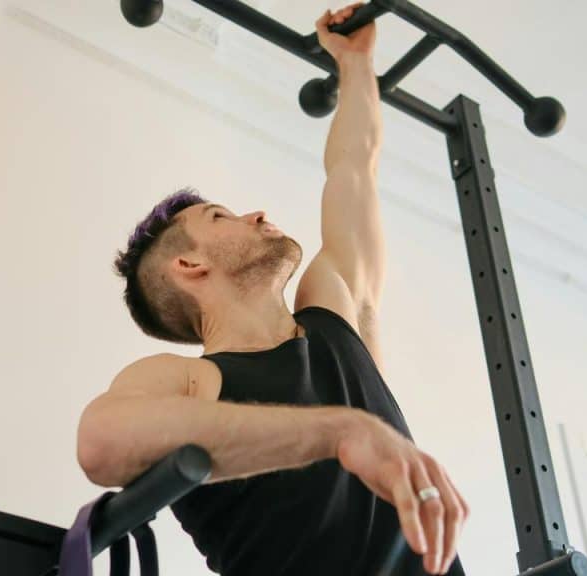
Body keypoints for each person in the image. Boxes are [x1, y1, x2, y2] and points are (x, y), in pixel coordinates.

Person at [77, 4, 468, 575]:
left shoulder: (337, 312)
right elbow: (100, 444)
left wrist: (356, 67)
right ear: (188, 263)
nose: (255, 213)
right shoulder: (188, 380)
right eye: (221, 217)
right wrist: (340, 432)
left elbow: (354, 169)